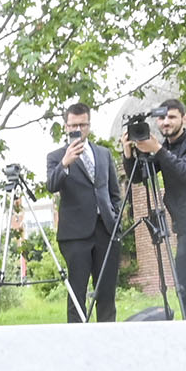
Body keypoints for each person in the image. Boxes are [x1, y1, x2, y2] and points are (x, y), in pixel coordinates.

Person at [126, 98, 186, 319]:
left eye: (171, 117)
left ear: (183, 118)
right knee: (185, 292)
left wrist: (158, 149)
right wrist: (128, 153)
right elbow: (141, 177)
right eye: (161, 118)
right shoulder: (165, 148)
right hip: (183, 231)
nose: (165, 122)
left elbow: (185, 171)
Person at [45, 102, 120, 322]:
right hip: (75, 234)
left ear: (89, 125)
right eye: (73, 125)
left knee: (106, 293)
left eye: (82, 124)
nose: (78, 129)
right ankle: (77, 345)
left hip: (106, 230)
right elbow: (51, 185)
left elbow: (113, 191)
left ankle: (107, 343)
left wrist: (116, 218)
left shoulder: (104, 154)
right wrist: (65, 163)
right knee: (77, 295)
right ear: (66, 126)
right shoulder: (55, 156)